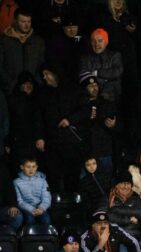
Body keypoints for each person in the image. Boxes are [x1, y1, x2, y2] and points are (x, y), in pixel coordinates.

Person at [37, 64, 86, 194]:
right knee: (53, 175)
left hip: (71, 141)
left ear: (55, 74)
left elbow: (85, 109)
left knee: (71, 175)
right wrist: (40, 137)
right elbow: (39, 116)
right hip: (52, 141)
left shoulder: (73, 90)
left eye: (47, 74)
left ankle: (71, 205)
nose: (44, 77)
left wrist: (70, 120)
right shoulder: (43, 93)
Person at [77, 73, 118, 174]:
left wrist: (113, 125)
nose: (94, 88)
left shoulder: (107, 104)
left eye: (95, 85)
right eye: (90, 86)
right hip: (87, 153)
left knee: (106, 179)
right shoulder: (78, 106)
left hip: (104, 150)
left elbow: (118, 125)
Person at [0, 9, 46, 94]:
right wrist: (12, 85)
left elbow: (41, 65)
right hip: (11, 92)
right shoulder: (4, 42)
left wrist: (35, 84)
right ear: (15, 21)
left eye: (29, 21)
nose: (26, 25)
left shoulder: (38, 42)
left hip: (34, 92)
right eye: (23, 21)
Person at [79, 28, 123, 103]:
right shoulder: (85, 58)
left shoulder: (115, 55)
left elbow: (117, 72)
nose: (96, 44)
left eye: (100, 41)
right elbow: (84, 77)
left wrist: (97, 73)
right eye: (93, 41)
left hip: (112, 97)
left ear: (106, 42)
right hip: (91, 98)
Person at [105, 170, 141, 242]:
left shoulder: (136, 198)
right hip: (113, 234)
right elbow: (107, 216)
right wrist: (128, 220)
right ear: (116, 185)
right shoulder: (108, 198)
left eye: (128, 183)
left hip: (133, 235)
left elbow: (140, 213)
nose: (126, 186)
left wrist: (115, 210)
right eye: (122, 183)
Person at [14, 156, 51, 225]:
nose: (31, 169)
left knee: (46, 220)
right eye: (28, 167)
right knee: (30, 220)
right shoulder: (16, 182)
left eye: (33, 167)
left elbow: (47, 197)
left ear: (36, 167)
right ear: (22, 167)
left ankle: (46, 235)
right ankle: (29, 235)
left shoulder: (42, 180)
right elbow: (19, 201)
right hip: (26, 209)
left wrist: (41, 208)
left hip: (41, 208)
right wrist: (31, 209)